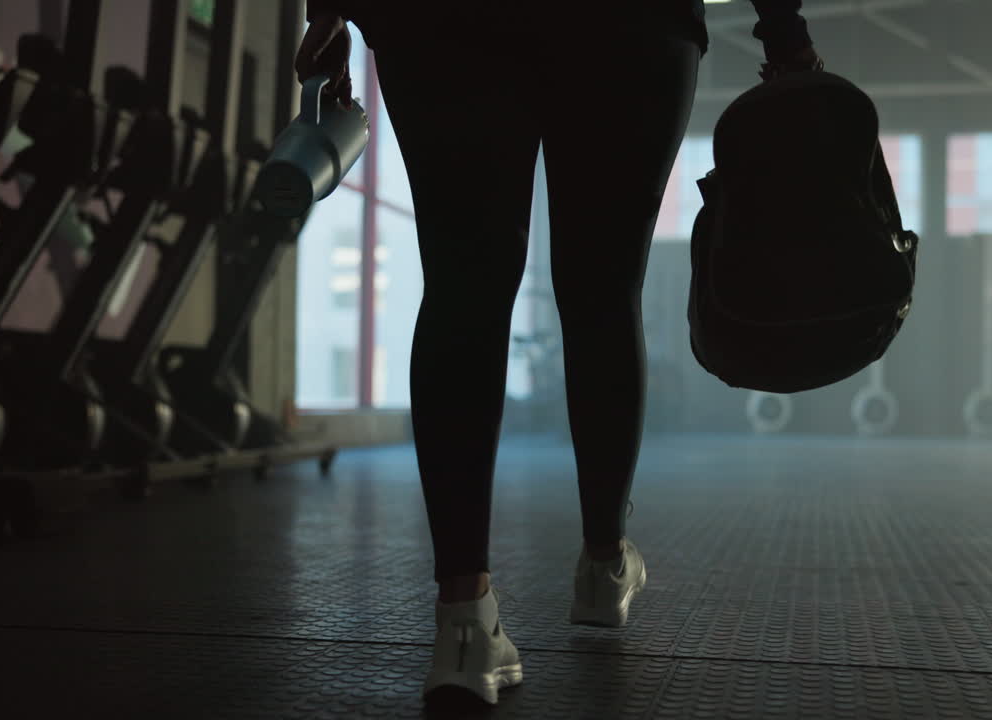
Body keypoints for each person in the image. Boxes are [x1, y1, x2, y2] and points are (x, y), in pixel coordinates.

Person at [295, 1, 819, 706]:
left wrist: (325, 8)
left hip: (440, 25)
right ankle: (605, 564)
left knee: (462, 288)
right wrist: (784, 29)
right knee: (604, 290)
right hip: (630, 25)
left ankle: (463, 623)